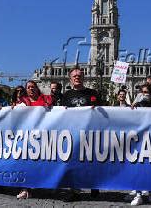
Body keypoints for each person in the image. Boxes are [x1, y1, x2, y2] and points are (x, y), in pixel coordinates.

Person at [62, 67, 100, 202]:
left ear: (83, 78)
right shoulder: (66, 96)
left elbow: (101, 111)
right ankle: (75, 191)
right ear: (70, 79)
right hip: (73, 134)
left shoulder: (92, 93)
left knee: (91, 161)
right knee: (73, 163)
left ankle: (94, 185)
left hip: (89, 133)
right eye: (74, 76)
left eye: (79, 75)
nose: (77, 77)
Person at [15, 80, 53, 200]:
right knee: (25, 163)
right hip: (27, 137)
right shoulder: (23, 102)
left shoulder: (46, 100)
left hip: (42, 137)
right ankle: (25, 188)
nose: (31, 89)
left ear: (37, 88)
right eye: (28, 87)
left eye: (33, 87)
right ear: (26, 90)